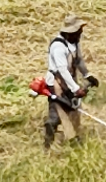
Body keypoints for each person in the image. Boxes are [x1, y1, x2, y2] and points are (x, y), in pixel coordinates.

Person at [41, 17, 96, 149]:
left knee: (74, 110)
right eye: (78, 31)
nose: (80, 34)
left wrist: (87, 75)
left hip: (70, 79)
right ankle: (51, 144)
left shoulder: (74, 42)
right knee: (60, 111)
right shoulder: (58, 46)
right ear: (69, 32)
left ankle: (72, 136)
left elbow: (79, 61)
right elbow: (62, 70)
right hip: (57, 83)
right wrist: (76, 89)